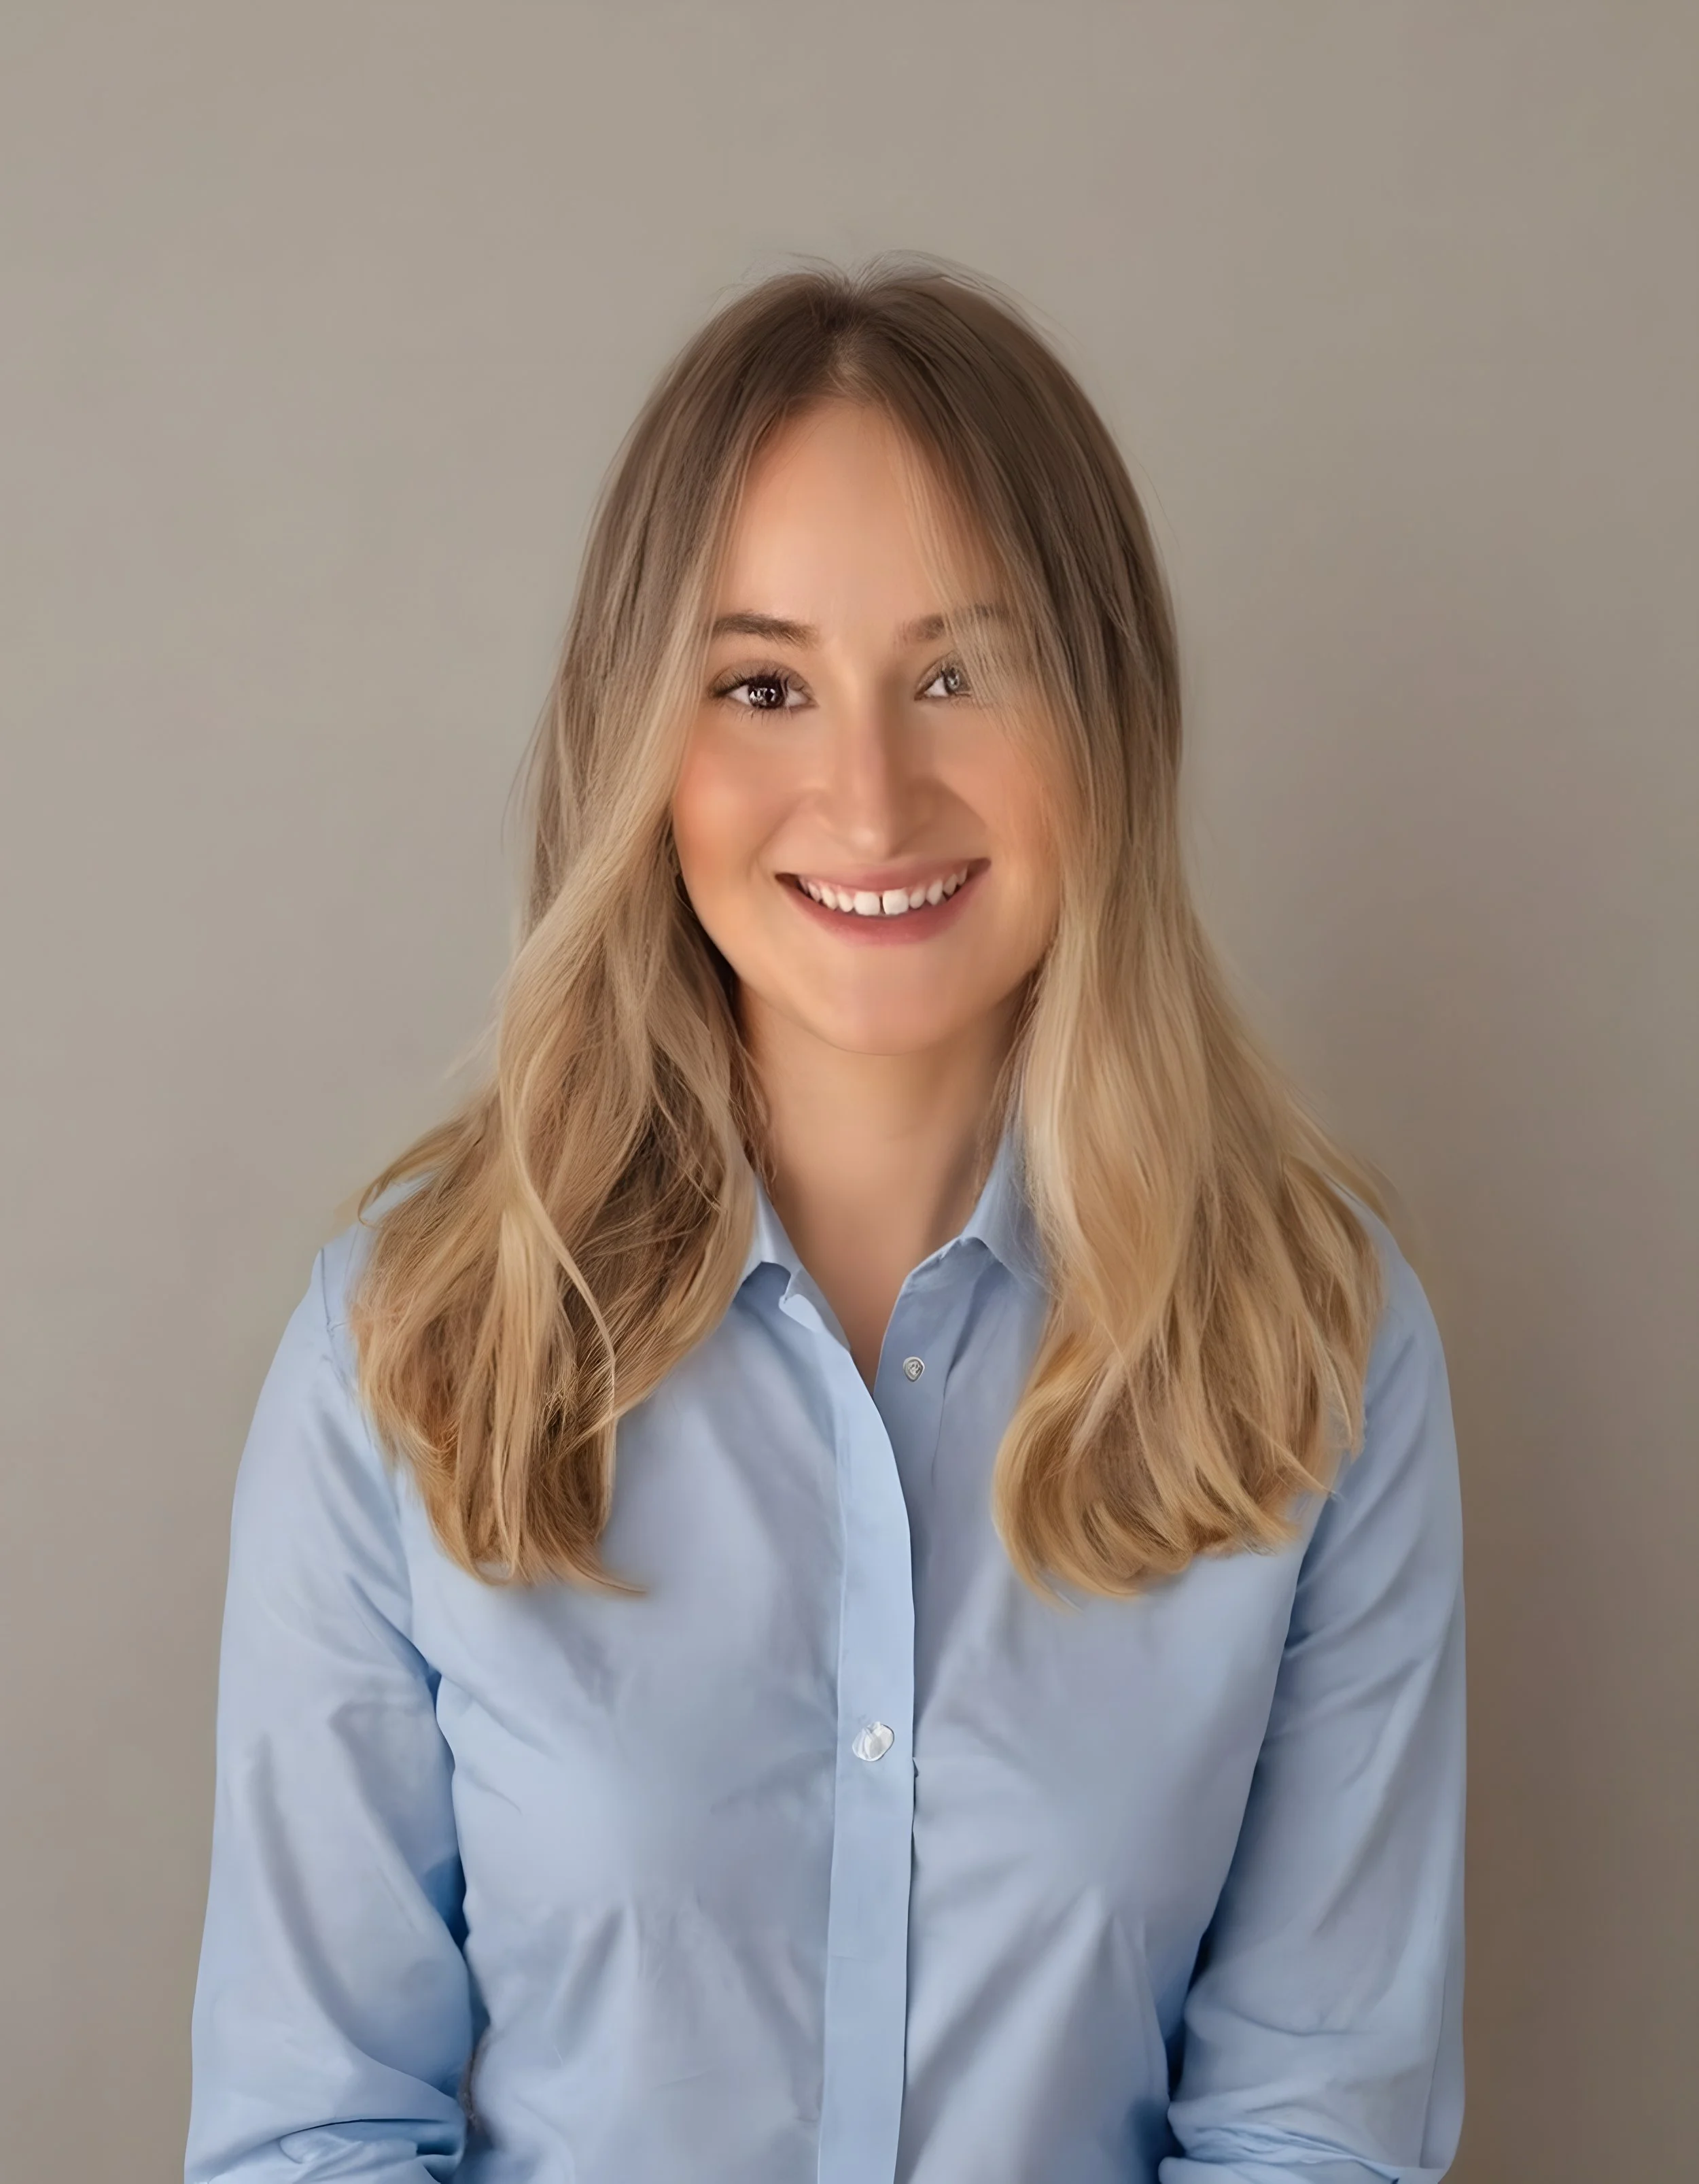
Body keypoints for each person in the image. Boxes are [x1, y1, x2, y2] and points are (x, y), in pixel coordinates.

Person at [183, 256, 1466, 2184]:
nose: (868, 800)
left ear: (1106, 717)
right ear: (643, 740)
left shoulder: (1315, 1348)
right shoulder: (406, 1352)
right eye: (762, 685)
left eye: (957, 672)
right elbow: (316, 2129)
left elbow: (1312, 2130)